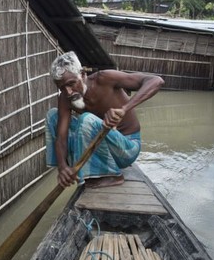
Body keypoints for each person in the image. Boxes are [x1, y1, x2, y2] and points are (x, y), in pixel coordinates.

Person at [45, 51, 164, 188]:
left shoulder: (105, 78)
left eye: (71, 84)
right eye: (62, 88)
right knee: (52, 116)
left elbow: (156, 81)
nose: (68, 92)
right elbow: (61, 137)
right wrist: (62, 166)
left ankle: (114, 175)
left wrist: (124, 109)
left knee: (87, 119)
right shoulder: (65, 99)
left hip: (126, 148)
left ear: (82, 75)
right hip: (97, 148)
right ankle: (72, 171)